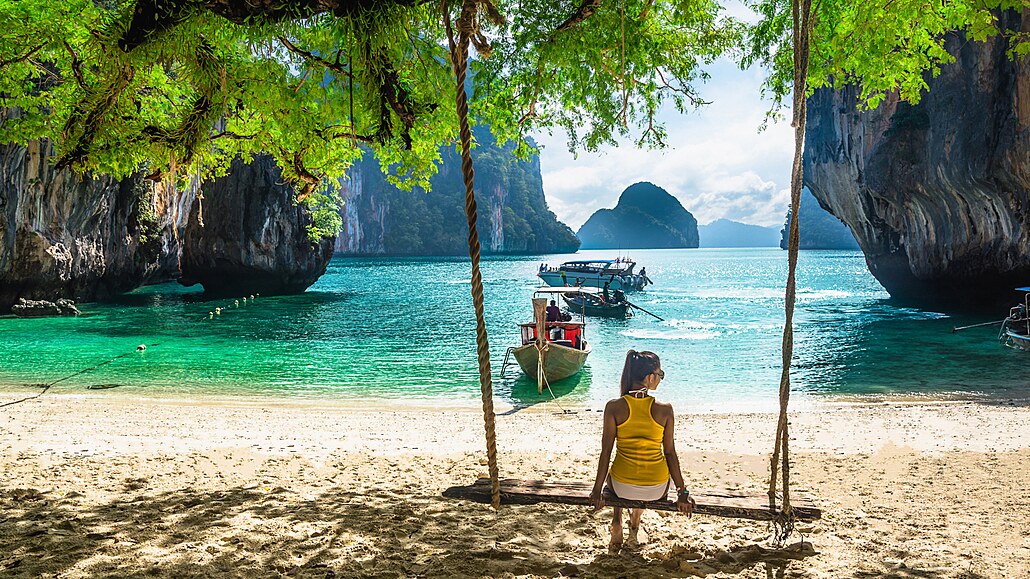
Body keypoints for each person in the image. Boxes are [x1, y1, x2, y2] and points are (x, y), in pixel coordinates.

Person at [590, 350, 694, 550]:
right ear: (650, 377)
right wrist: (682, 491)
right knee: (656, 474)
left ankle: (617, 521)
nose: (660, 379)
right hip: (655, 489)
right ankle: (635, 521)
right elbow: (670, 453)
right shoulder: (665, 409)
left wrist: (596, 490)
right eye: (660, 374)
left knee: (614, 474)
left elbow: (606, 452)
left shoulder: (614, 407)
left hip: (622, 486)